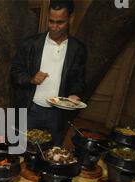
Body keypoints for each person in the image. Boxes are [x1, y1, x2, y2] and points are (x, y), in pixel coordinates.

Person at [10, 0, 86, 146]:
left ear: (71, 19)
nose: (54, 27)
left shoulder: (78, 49)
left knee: (51, 153)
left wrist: (75, 94)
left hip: (57, 114)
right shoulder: (31, 44)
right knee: (21, 149)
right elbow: (15, 72)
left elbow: (79, 79)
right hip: (30, 109)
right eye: (51, 21)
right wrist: (31, 79)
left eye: (60, 22)